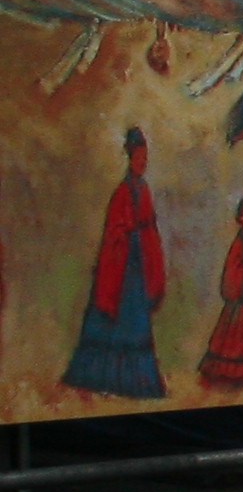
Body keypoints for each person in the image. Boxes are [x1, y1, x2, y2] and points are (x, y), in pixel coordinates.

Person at [66, 123, 169, 399]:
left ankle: (137, 383)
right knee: (112, 323)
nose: (142, 163)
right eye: (139, 158)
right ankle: (102, 380)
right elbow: (113, 232)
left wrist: (147, 246)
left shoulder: (144, 190)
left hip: (138, 270)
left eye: (145, 159)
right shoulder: (122, 192)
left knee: (136, 326)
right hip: (122, 270)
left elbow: (150, 229)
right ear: (130, 157)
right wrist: (128, 234)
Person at [198, 192, 243, 385]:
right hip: (239, 298)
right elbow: (231, 269)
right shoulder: (238, 243)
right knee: (232, 338)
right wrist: (242, 279)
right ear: (239, 217)